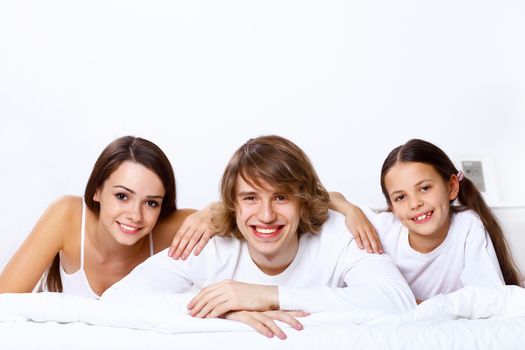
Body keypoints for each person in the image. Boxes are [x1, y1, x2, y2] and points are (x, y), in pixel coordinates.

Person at [102, 135, 416, 339]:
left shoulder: (339, 233)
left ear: (302, 200)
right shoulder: (209, 244)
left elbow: (398, 301)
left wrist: (268, 296)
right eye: (251, 198)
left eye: (281, 198)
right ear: (233, 204)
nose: (266, 215)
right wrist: (226, 310)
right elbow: (118, 298)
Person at [0, 136, 214, 298]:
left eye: (151, 203)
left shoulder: (168, 228)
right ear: (97, 191)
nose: (135, 215)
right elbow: (5, 302)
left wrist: (211, 212)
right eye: (122, 196)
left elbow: (238, 216)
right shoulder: (67, 216)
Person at [330, 138, 521, 302]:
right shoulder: (380, 228)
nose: (415, 204)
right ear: (392, 207)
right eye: (400, 197)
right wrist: (350, 210)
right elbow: (321, 196)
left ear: (452, 186)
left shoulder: (467, 226)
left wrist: (419, 304)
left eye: (424, 188)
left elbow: (488, 296)